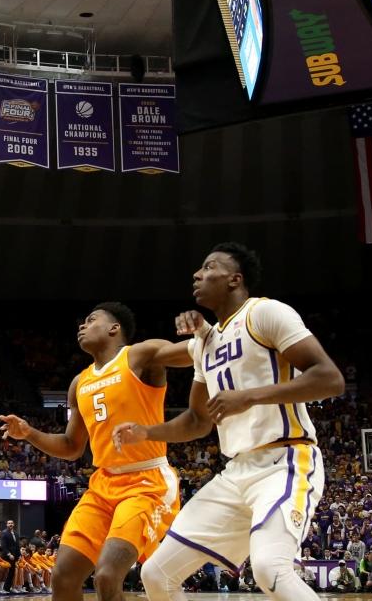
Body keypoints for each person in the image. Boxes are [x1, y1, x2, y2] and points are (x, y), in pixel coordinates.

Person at [116, 242, 345, 601]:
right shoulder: (204, 343)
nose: (197, 274)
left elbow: (330, 379)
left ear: (234, 279)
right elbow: (197, 421)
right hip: (236, 472)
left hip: (285, 460)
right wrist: (147, 432)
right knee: (156, 574)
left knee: (270, 569)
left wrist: (249, 396)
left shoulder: (265, 313)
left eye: (209, 267)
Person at [0, 302, 196, 601]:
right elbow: (71, 447)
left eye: (91, 320)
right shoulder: (79, 383)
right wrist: (29, 434)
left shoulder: (139, 355)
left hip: (146, 482)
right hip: (103, 484)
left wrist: (209, 334)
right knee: (63, 577)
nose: (82, 326)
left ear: (114, 328)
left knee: (106, 575)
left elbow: (192, 352)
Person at [0, 520, 20, 592]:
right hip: (6, 556)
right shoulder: (4, 533)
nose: (10, 524)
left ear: (14, 524)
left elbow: (17, 545)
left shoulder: (16, 533)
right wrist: (9, 554)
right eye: (9, 523)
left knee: (12, 572)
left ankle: (7, 588)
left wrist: (19, 555)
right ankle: (1, 588)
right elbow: (3, 546)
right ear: (7, 525)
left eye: (11, 523)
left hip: (14, 556)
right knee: (5, 572)